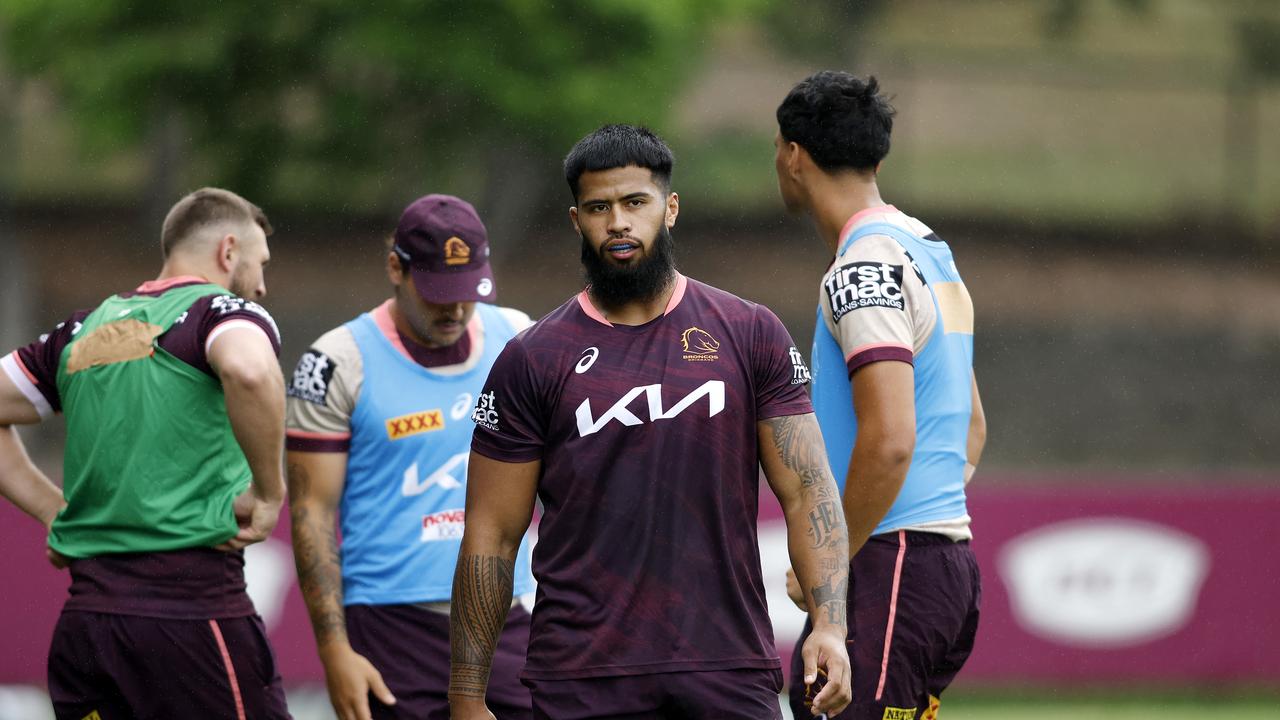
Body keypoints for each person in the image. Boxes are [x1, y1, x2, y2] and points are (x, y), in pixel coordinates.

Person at [447, 124, 853, 720]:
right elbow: (491, 533)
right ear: (575, 220)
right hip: (580, 674)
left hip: (726, 664)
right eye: (598, 207)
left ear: (670, 209)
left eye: (635, 202)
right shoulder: (533, 357)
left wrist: (831, 626)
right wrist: (466, 695)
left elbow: (807, 490)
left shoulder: (748, 332)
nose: (618, 222)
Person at [0, 187, 291, 719]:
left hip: (87, 626)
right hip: (193, 618)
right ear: (228, 251)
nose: (263, 285)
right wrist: (270, 492)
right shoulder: (222, 313)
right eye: (259, 264)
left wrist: (53, 512)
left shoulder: (80, 332)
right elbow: (250, 371)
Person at [774, 71, 988, 720]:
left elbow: (892, 442)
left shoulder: (862, 267)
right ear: (878, 156)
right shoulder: (928, 251)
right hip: (940, 566)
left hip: (890, 569)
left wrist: (829, 563)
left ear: (792, 156)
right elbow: (969, 427)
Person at [287, 194, 537, 720]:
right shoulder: (335, 362)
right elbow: (312, 515)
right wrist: (335, 651)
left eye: (468, 290)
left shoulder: (518, 337)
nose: (456, 308)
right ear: (395, 268)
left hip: (509, 620)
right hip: (390, 629)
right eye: (438, 293)